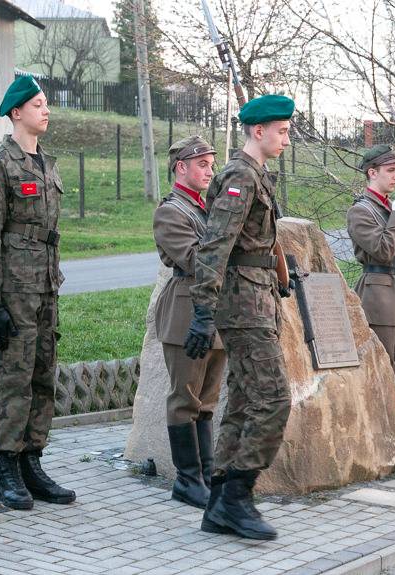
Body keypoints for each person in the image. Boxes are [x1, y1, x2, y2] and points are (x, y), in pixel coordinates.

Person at [184, 94, 295, 540]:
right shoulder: (238, 176)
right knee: (274, 398)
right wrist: (202, 310)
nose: (286, 139)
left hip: (259, 298)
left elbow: (261, 244)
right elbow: (215, 245)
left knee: (246, 402)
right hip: (242, 304)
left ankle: (218, 503)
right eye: (281, 131)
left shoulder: (257, 176)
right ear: (257, 131)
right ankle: (238, 496)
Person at [0, 75, 76, 509]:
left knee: (42, 376)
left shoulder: (47, 165)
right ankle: (7, 471)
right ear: (17, 113)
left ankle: (33, 463)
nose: (46, 110)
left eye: (46, 103)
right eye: (37, 104)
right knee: (12, 379)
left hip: (46, 289)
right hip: (14, 292)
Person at [153, 135, 227, 509]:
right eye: (202, 164)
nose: (209, 171)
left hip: (214, 311)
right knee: (186, 398)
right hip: (186, 310)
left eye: (211, 164)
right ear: (181, 167)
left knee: (207, 400)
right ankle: (187, 480)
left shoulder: (205, 209)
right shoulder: (173, 212)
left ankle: (205, 474)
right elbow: (197, 261)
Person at [346, 145, 395, 382]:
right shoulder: (361, 211)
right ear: (372, 173)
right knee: (379, 375)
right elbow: (384, 251)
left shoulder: (385, 207)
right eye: (391, 170)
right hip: (379, 302)